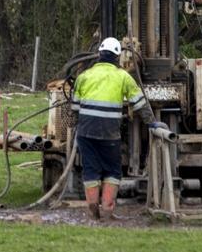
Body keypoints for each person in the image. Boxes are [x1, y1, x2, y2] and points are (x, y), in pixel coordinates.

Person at [71, 37, 167, 220]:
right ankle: (107, 211)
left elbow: (74, 108)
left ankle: (92, 212)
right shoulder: (123, 76)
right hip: (109, 133)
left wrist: (80, 127)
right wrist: (152, 123)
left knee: (90, 170)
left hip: (86, 131)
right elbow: (140, 104)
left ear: (99, 54)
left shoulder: (84, 76)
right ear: (117, 57)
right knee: (112, 171)